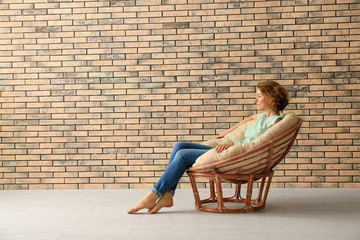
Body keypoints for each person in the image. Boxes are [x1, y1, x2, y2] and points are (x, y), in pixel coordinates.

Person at [127, 81, 289, 214]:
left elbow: (259, 144)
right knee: (179, 146)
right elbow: (248, 119)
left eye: (259, 96)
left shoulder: (275, 121)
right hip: (231, 149)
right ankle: (168, 194)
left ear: (271, 97)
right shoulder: (262, 116)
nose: (256, 100)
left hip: (236, 155)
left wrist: (232, 148)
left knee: (183, 155)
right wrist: (228, 132)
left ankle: (154, 194)